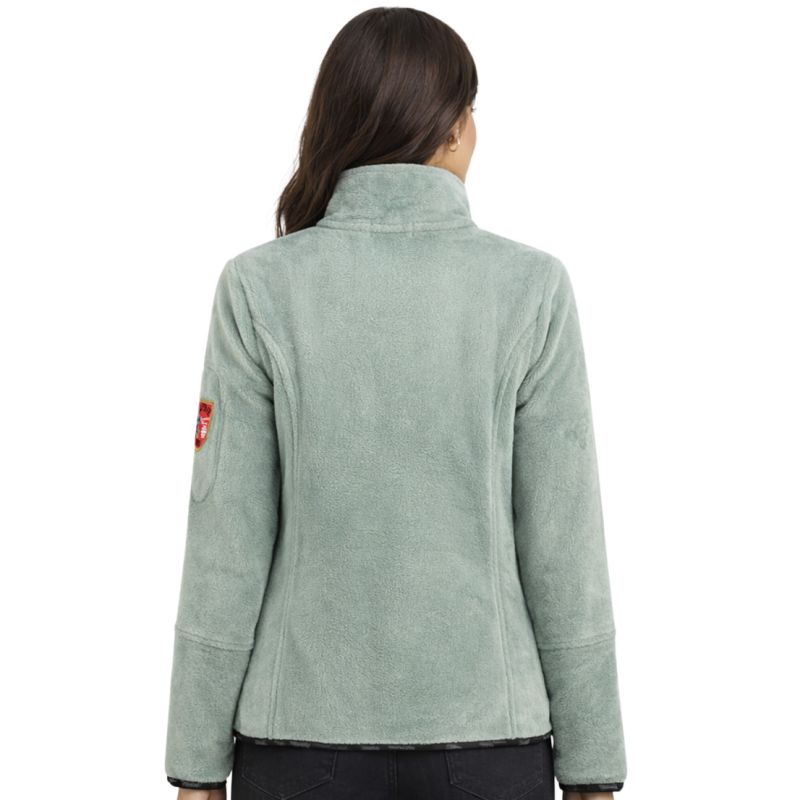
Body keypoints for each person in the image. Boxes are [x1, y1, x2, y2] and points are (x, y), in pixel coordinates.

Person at [164, 7, 627, 800]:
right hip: (490, 744)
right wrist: (593, 764)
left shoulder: (260, 288)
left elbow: (225, 546)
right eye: (472, 110)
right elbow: (564, 549)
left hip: (298, 744)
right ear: (450, 128)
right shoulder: (530, 289)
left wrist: (195, 763)